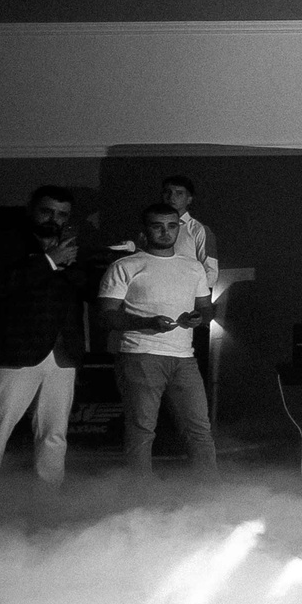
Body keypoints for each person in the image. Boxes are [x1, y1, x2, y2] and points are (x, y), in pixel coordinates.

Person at [0, 186, 94, 490]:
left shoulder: (71, 248)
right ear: (31, 209)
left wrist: (68, 265)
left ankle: (48, 498)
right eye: (47, 211)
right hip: (12, 353)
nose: (54, 219)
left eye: (62, 214)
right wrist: (48, 261)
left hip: (62, 353)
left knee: (54, 435)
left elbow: (87, 289)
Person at [98, 204, 217, 476]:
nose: (166, 232)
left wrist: (198, 317)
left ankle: (209, 490)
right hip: (140, 355)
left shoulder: (193, 267)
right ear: (145, 230)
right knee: (141, 429)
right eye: (158, 226)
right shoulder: (126, 266)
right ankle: (140, 492)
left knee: (199, 429)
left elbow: (206, 308)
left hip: (184, 357)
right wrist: (148, 322)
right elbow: (106, 315)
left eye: (172, 226)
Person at [160, 175, 219, 290]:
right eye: (168, 192)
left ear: (189, 199)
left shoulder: (198, 230)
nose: (172, 197)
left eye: (179, 193)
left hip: (186, 293)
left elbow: (211, 270)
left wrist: (199, 295)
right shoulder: (152, 228)